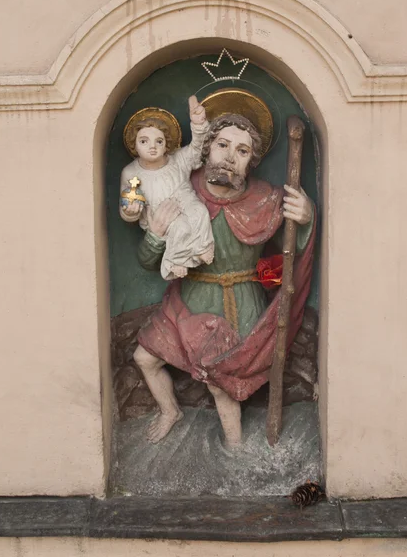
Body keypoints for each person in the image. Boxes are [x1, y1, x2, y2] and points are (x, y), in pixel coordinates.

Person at [133, 109, 316, 447]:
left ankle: (234, 447)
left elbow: (294, 248)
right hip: (188, 299)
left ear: (252, 160)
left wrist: (305, 218)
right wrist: (156, 234)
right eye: (222, 145)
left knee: (222, 382)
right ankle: (170, 411)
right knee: (144, 358)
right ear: (207, 148)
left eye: (242, 151)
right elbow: (148, 261)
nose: (230, 157)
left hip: (237, 304)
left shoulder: (266, 199)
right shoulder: (182, 191)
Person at [120, 96, 214, 280]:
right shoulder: (130, 172)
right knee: (179, 227)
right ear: (134, 144)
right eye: (144, 141)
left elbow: (197, 149)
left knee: (200, 212)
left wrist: (199, 124)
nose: (152, 147)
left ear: (167, 143)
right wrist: (130, 211)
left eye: (159, 141)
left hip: (186, 202)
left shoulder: (178, 160)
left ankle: (202, 248)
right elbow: (127, 204)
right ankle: (175, 261)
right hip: (160, 214)